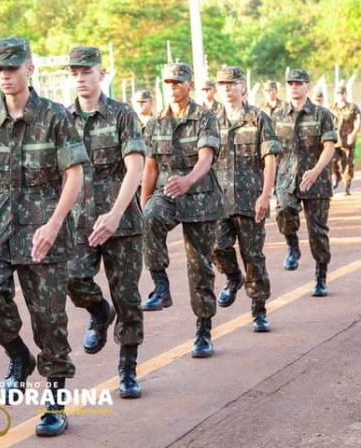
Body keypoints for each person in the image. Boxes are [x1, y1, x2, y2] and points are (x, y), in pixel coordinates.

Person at [0, 37, 88, 437]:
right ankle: (18, 356)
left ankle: (54, 402)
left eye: (12, 68)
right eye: (0, 69)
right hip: (2, 217)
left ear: (29, 69)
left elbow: (74, 174)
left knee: (49, 320)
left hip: (44, 218)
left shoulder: (55, 116)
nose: (5, 75)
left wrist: (54, 223)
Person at [66, 46, 145, 398]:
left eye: (87, 71)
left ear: (101, 73)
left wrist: (114, 215)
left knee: (127, 297)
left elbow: (136, 168)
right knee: (72, 277)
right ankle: (99, 311)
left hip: (122, 222)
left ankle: (127, 368)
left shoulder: (121, 115)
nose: (81, 78)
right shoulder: (62, 120)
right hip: (79, 222)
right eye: (75, 72)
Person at [140, 62, 224, 358]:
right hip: (168, 193)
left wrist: (189, 180)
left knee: (199, 266)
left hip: (201, 197)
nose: (173, 86)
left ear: (189, 84)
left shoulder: (205, 117)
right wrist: (144, 202)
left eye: (178, 82)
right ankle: (160, 286)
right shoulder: (155, 124)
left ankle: (203, 329)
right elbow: (150, 167)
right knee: (150, 216)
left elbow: (207, 157)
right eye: (169, 82)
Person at [212, 66, 281, 332]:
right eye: (222, 84)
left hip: (250, 199)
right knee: (216, 246)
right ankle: (232, 277)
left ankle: (259, 310)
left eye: (232, 83)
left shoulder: (258, 119)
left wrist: (265, 195)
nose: (227, 88)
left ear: (243, 87)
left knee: (253, 256)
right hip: (219, 200)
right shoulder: (211, 121)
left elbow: (270, 159)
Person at [273, 69, 337, 297]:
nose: (293, 86)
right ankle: (292, 246)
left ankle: (321, 276)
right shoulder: (278, 116)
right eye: (290, 83)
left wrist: (317, 170)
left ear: (307, 86)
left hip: (316, 181)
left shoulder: (322, 115)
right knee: (283, 210)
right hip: (286, 178)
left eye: (298, 83)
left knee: (317, 232)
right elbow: (271, 151)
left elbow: (329, 146)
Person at [330, 80, 360, 195]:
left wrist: (353, 134)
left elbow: (358, 121)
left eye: (342, 93)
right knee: (332, 161)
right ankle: (335, 178)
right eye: (338, 93)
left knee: (347, 164)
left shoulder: (353, 107)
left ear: (345, 94)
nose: (340, 95)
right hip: (335, 140)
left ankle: (347, 185)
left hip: (348, 141)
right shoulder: (331, 108)